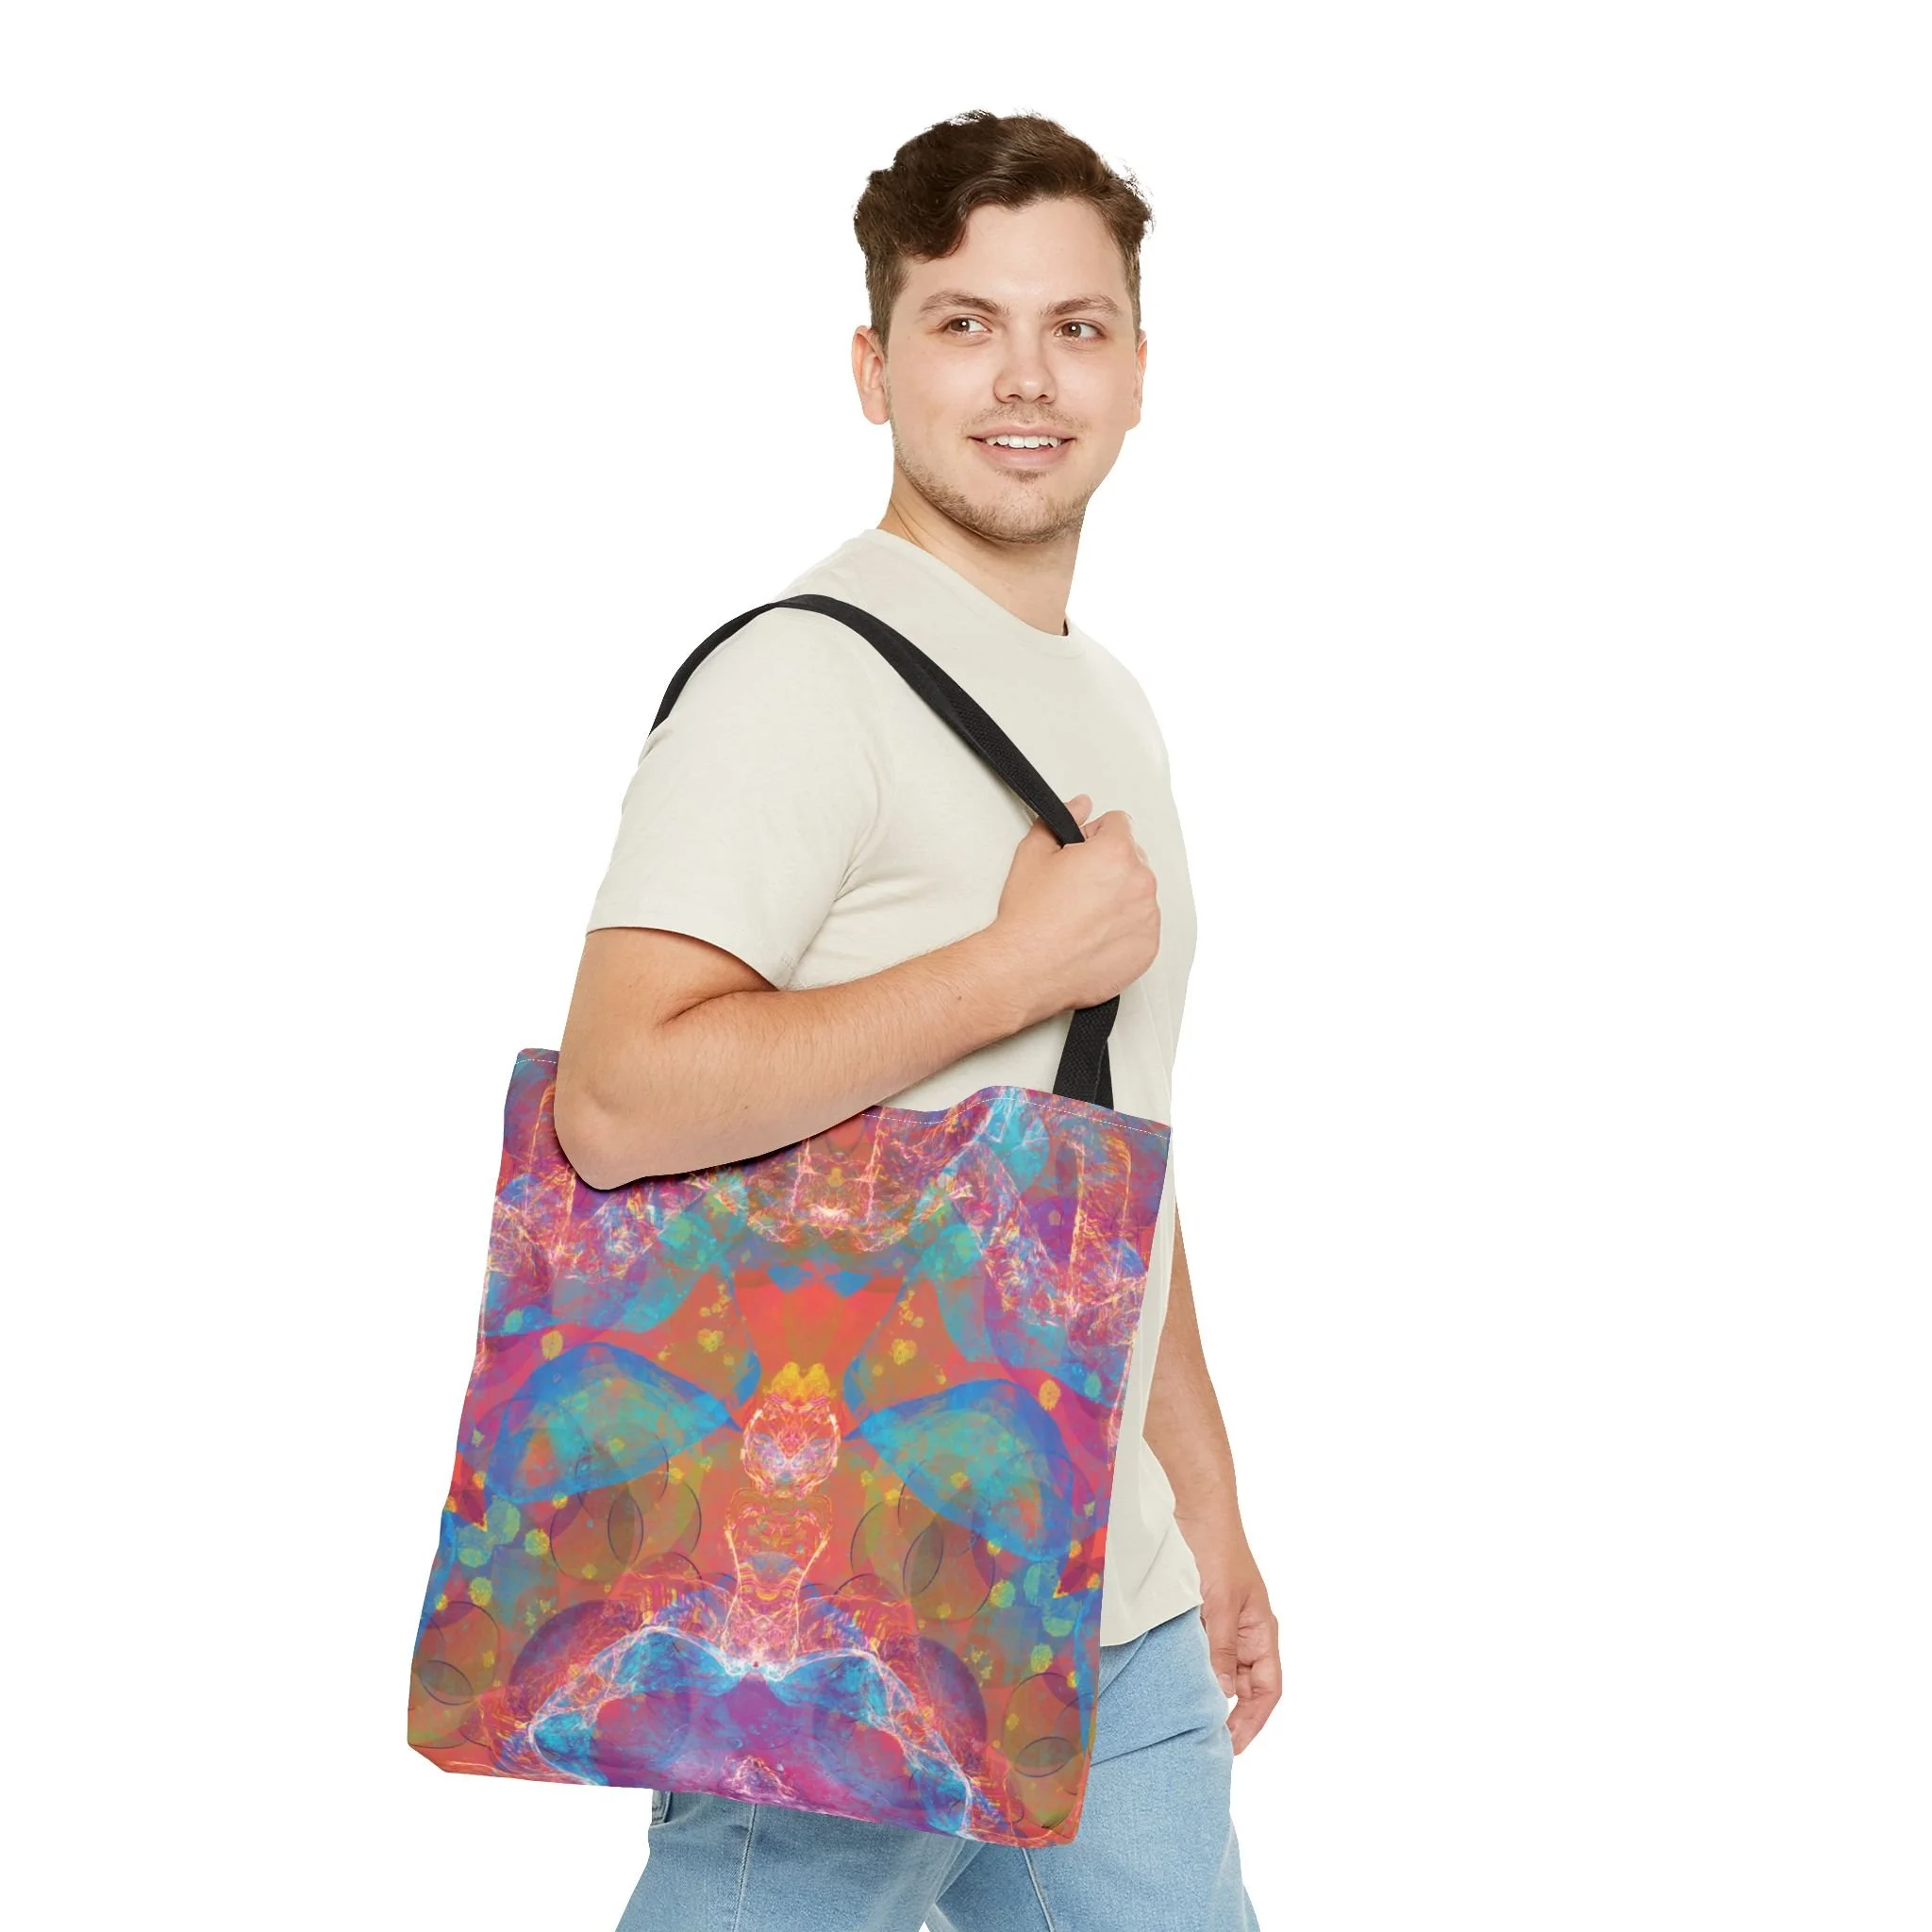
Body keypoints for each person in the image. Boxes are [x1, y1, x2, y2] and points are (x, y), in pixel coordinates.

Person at [557, 108, 1274, 1932]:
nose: (1026, 378)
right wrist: (1008, 970)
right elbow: (619, 1100)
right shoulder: (798, 680)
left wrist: (1202, 1507)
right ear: (875, 369)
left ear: (1137, 370)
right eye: (966, 324)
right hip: (850, 1617)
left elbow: (1108, 1141)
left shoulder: (1109, 700)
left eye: (1076, 327)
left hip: (1113, 1614)